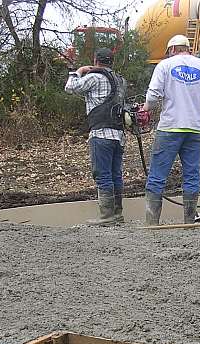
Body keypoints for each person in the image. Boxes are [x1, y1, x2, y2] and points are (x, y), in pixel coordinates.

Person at [142, 35, 200, 225]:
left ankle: (152, 224)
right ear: (187, 48)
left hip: (169, 128)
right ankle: (189, 222)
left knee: (158, 176)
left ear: (172, 50)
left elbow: (153, 96)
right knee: (191, 176)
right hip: (193, 129)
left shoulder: (165, 66)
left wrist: (146, 109)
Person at [65, 48, 127, 226]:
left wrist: (77, 71)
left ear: (96, 60)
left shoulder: (95, 78)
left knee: (102, 174)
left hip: (100, 134)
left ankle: (106, 217)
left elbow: (70, 87)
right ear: (111, 61)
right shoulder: (120, 80)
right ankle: (117, 214)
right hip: (118, 134)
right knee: (116, 174)